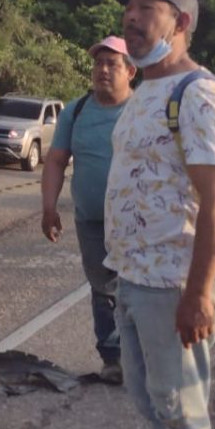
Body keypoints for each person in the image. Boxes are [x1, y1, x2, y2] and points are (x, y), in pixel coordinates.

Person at [104, 0, 215, 429]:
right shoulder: (143, 92)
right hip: (135, 280)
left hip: (174, 285)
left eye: (146, 9)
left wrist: (198, 294)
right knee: (154, 403)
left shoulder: (199, 95)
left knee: (182, 411)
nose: (131, 19)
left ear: (180, 23)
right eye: (128, 10)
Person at [41, 35, 136, 385]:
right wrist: (49, 207)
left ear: (131, 71)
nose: (103, 70)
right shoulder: (75, 111)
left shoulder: (143, 111)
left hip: (137, 221)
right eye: (98, 63)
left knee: (139, 287)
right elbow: (55, 161)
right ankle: (112, 358)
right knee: (102, 288)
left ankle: (140, 355)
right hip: (92, 219)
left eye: (112, 64)